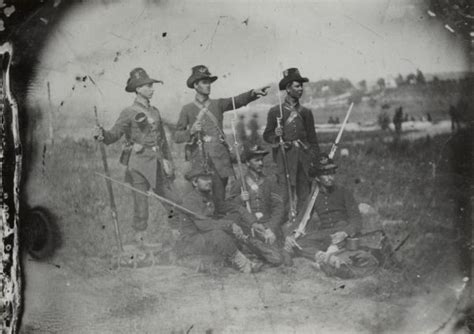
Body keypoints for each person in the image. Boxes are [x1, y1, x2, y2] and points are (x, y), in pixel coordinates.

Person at [94, 68, 175, 248]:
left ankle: (180, 235)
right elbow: (114, 135)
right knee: (141, 204)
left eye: (152, 86)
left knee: (172, 200)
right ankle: (141, 241)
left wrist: (168, 161)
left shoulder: (155, 111)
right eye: (148, 86)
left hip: (158, 163)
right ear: (138, 89)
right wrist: (103, 135)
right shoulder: (128, 112)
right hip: (138, 165)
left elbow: (163, 141)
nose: (152, 89)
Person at [175, 65, 269, 213]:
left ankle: (221, 229)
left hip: (219, 160)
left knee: (220, 201)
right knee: (200, 202)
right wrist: (191, 131)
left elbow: (236, 101)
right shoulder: (187, 109)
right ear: (195, 85)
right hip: (199, 161)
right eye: (204, 82)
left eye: (209, 82)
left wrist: (253, 93)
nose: (208, 86)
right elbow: (177, 136)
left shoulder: (217, 104)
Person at [175, 165, 262, 273]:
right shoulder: (190, 201)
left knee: (235, 217)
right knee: (219, 233)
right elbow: (204, 224)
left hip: (205, 236)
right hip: (192, 241)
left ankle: (235, 253)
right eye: (204, 179)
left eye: (209, 178)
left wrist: (253, 223)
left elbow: (234, 207)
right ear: (195, 183)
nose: (209, 181)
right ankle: (244, 265)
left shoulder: (208, 197)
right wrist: (230, 225)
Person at [283, 154, 362, 262]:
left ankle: (327, 256)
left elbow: (356, 220)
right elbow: (301, 220)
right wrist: (290, 236)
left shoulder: (343, 192)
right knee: (297, 243)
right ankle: (322, 256)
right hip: (325, 235)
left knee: (341, 241)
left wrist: (345, 232)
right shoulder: (314, 196)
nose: (330, 177)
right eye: (325, 174)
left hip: (342, 232)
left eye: (332, 173)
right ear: (317, 177)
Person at [263, 68, 320, 215]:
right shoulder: (276, 111)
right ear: (288, 89)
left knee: (304, 193)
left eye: (301, 86)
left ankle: (302, 225)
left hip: (303, 157)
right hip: (285, 157)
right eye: (297, 86)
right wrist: (276, 135)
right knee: (285, 192)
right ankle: (285, 224)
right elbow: (266, 135)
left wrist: (316, 160)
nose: (301, 89)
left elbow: (313, 140)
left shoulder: (306, 112)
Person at [227, 145, 286, 244]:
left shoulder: (270, 182)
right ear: (247, 163)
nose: (261, 163)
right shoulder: (240, 183)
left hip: (268, 225)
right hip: (248, 226)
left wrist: (270, 227)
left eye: (261, 160)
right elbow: (229, 207)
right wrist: (240, 199)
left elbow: (278, 208)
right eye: (257, 160)